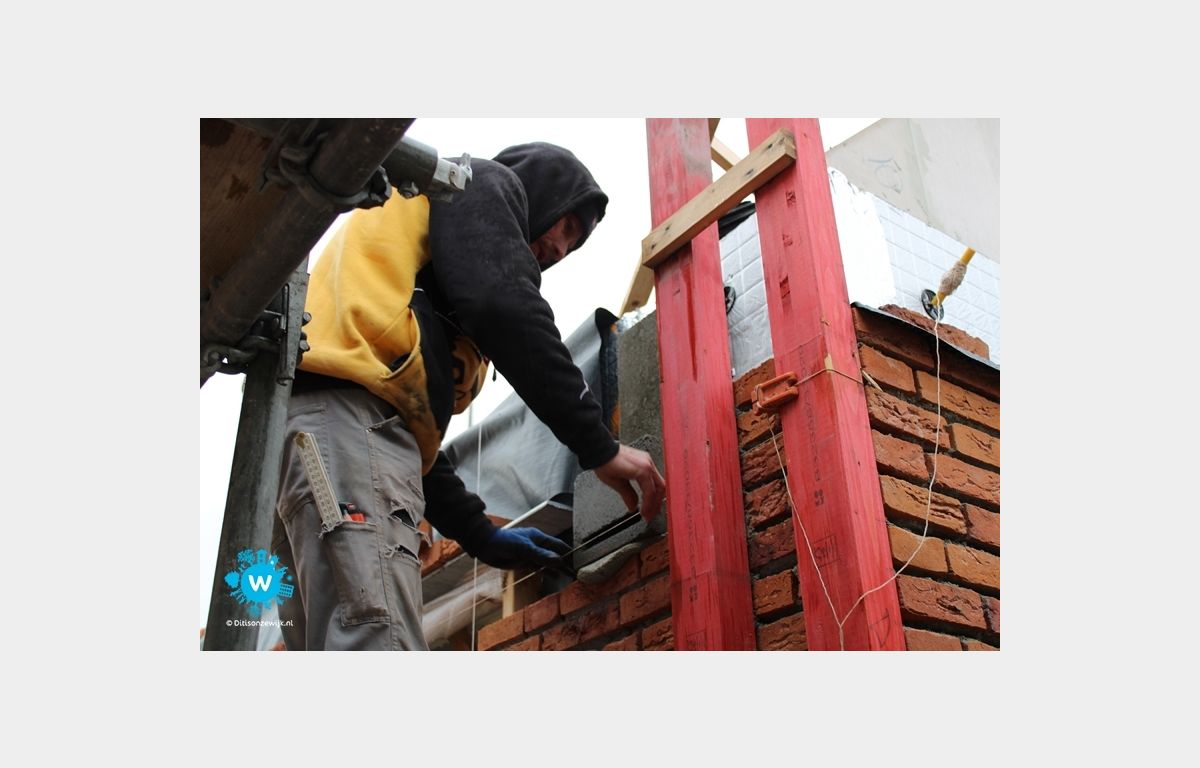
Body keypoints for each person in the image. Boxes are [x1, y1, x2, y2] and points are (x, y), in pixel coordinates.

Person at [271, 141, 667, 650]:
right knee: (376, 642)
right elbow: (504, 306)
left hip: (313, 441)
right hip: (340, 431)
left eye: (573, 246)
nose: (560, 250)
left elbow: (407, 440)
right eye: (565, 227)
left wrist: (480, 534)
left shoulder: (399, 316)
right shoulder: (480, 181)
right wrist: (600, 447)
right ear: (538, 191)